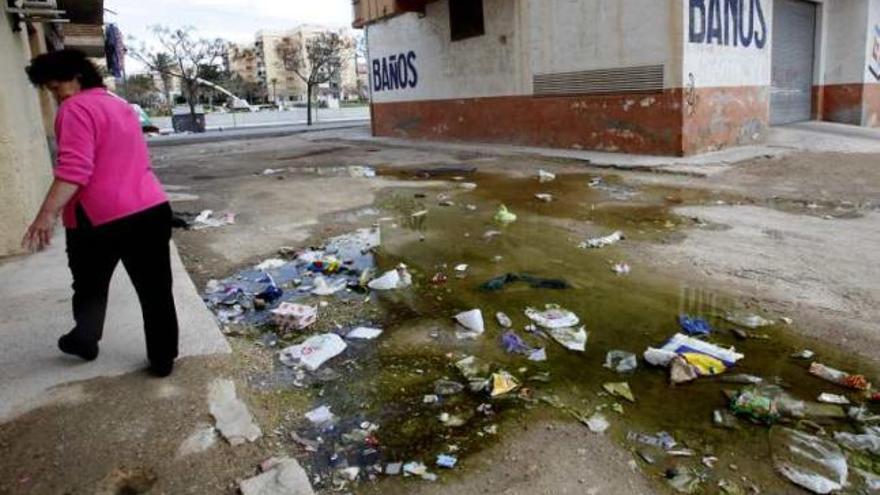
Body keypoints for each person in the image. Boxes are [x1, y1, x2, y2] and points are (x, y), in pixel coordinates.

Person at [22, 49, 179, 377]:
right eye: (49, 89)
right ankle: (163, 359)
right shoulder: (119, 104)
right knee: (156, 290)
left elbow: (75, 170)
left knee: (90, 285)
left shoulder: (74, 108)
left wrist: (45, 215)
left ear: (76, 77)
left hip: (100, 219)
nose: (55, 94)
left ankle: (85, 339)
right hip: (150, 208)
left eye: (55, 86)